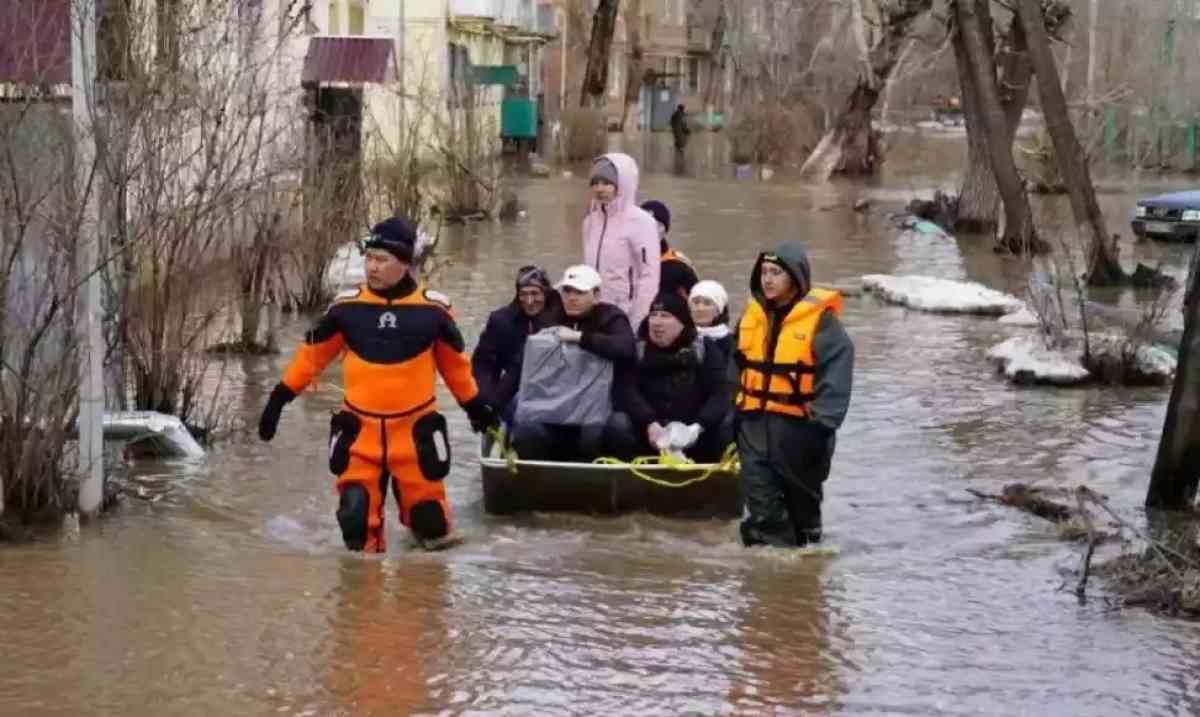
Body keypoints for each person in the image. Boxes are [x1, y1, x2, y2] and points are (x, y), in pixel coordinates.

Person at [257, 217, 495, 553]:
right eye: (369, 258)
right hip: (361, 432)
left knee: (432, 527)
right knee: (355, 523)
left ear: (406, 263)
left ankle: (419, 590)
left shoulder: (434, 311)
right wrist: (278, 399)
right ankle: (360, 599)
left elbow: (455, 368)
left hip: (414, 432)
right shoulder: (346, 308)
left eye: (382, 260)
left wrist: (475, 407)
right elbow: (310, 358)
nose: (372, 267)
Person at [734, 240, 854, 548]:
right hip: (754, 424)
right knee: (761, 499)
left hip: (801, 429)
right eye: (764, 272)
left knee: (804, 514)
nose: (768, 279)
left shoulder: (822, 323)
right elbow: (733, 366)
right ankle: (770, 573)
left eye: (776, 272)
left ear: (796, 278)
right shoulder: (751, 316)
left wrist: (823, 422)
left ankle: (801, 564)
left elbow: (837, 372)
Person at [511, 265, 635, 462]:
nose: (571, 297)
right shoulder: (550, 318)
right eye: (567, 291)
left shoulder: (612, 317)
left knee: (599, 431)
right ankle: (536, 480)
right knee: (525, 427)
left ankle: (600, 480)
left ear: (596, 295)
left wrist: (580, 338)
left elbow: (626, 348)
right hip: (556, 406)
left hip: (599, 408)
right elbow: (525, 368)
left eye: (579, 292)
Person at [607, 292, 732, 463]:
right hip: (649, 431)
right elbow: (625, 389)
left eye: (665, 316)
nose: (657, 322)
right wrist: (649, 422)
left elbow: (721, 393)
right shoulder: (637, 350)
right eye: (653, 315)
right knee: (618, 423)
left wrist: (697, 427)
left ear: (682, 323)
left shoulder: (705, 349)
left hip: (692, 433)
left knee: (728, 422)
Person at [471, 265, 560, 423]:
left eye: (535, 294)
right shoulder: (501, 321)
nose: (529, 301)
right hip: (510, 394)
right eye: (523, 294)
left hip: (553, 393)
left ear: (545, 293)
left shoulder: (561, 318)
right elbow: (483, 364)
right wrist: (485, 397)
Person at [583, 153, 660, 329]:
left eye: (607, 183)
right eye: (595, 183)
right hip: (593, 313)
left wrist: (638, 321)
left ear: (622, 185)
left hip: (624, 314)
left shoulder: (641, 222)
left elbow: (649, 276)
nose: (599, 189)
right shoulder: (590, 221)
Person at [641, 199, 698, 299]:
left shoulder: (680, 265)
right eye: (644, 224)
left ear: (665, 230)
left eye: (656, 225)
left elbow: (696, 301)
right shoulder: (623, 260)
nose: (649, 230)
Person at [689, 280, 733, 359]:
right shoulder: (680, 338)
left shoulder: (731, 343)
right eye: (696, 302)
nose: (700, 308)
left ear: (719, 311)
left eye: (707, 303)